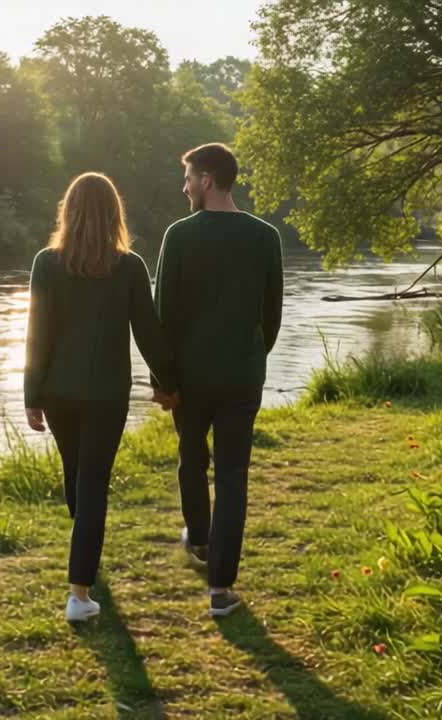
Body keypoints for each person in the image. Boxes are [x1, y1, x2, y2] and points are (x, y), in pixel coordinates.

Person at [23, 172, 179, 623]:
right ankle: (79, 591)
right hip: (107, 395)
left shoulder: (46, 263)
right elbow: (148, 331)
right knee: (91, 484)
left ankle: (83, 563)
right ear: (115, 214)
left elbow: (37, 336)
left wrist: (32, 395)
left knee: (77, 476)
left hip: (57, 392)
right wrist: (167, 381)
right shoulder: (128, 266)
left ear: (66, 212)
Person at [154, 143, 284, 617]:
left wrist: (164, 380)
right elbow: (271, 316)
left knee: (192, 459)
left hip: (190, 379)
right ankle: (220, 588)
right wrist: (249, 357)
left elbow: (163, 314)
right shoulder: (265, 236)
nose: (184, 185)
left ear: (207, 180)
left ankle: (203, 541)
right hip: (241, 377)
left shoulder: (179, 236)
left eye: (188, 177)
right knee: (232, 476)